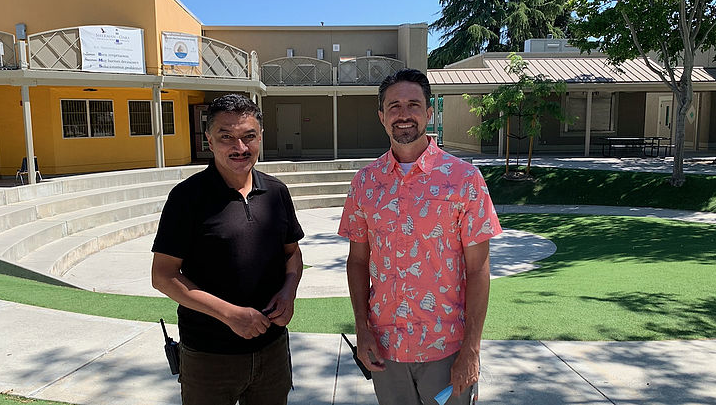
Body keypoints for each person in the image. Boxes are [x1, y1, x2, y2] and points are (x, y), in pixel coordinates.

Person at [338, 69, 502, 404]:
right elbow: (357, 261)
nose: (403, 114)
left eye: (414, 104)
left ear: (429, 113)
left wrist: (471, 349)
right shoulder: (365, 183)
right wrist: (362, 330)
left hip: (447, 348)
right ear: (382, 117)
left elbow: (478, 270)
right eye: (394, 106)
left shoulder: (464, 179)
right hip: (386, 349)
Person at [151, 94, 304, 405]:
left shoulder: (276, 193)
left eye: (249, 136)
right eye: (227, 137)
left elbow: (292, 253)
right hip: (209, 356)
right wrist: (231, 315)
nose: (240, 147)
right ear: (209, 140)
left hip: (273, 349)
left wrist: (289, 291)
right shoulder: (186, 198)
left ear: (261, 137)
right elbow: (163, 276)